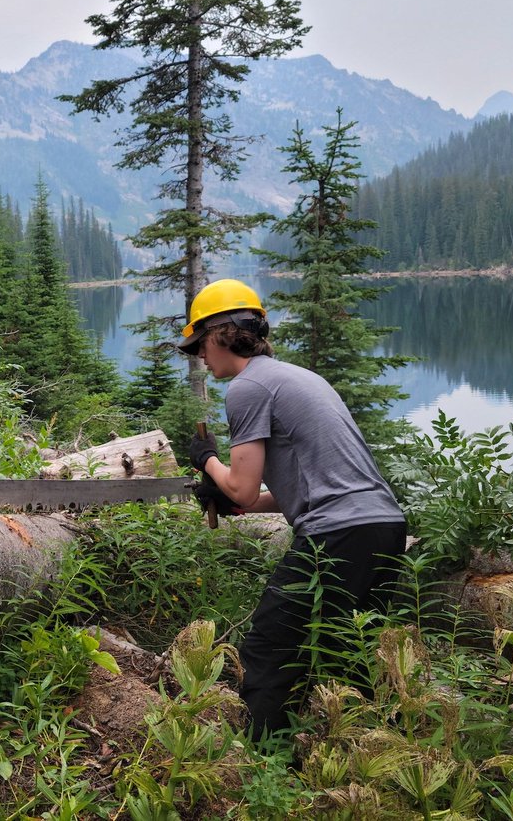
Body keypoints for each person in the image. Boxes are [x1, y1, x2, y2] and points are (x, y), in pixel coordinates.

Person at [181, 278, 406, 742]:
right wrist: (237, 505)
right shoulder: (298, 377)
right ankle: (367, 752)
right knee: (351, 648)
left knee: (268, 646)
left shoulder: (248, 388)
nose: (200, 355)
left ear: (223, 332)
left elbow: (242, 487)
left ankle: (261, 762)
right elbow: (296, 488)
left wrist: (207, 460)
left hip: (337, 534)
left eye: (200, 341)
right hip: (383, 526)